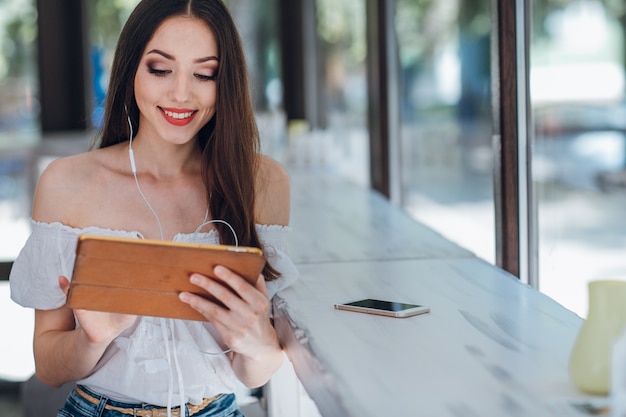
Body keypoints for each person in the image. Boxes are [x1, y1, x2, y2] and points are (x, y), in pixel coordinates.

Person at [9, 1, 298, 416]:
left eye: (205, 73)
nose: (181, 93)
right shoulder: (66, 184)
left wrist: (258, 342)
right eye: (160, 69)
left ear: (227, 81)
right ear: (130, 70)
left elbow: (257, 371)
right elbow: (48, 368)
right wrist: (91, 338)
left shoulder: (263, 184)